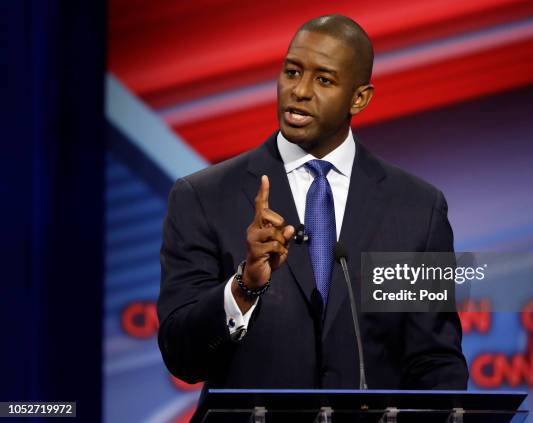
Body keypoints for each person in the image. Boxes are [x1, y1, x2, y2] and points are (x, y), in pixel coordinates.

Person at [158, 14, 468, 421]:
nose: (299, 91)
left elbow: (435, 364)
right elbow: (182, 356)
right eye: (292, 72)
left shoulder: (415, 209)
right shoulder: (203, 197)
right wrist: (243, 288)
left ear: (359, 98)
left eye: (323, 80)